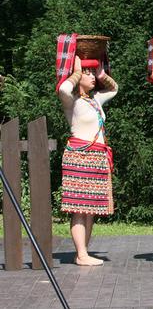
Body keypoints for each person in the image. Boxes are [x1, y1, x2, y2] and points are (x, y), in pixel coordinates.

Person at [58, 54, 118, 266]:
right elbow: (63, 89)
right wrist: (76, 72)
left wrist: (102, 73)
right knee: (80, 208)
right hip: (79, 156)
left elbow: (114, 89)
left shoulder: (95, 100)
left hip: (97, 156)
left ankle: (83, 252)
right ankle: (81, 254)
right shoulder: (71, 101)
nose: (92, 77)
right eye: (88, 73)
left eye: (93, 73)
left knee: (91, 209)